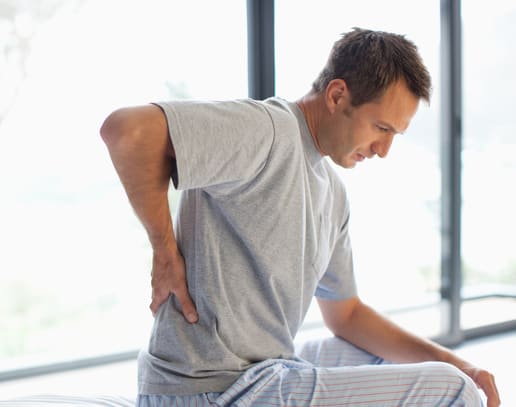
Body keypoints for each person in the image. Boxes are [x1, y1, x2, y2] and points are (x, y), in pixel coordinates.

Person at [100, 28, 500, 406]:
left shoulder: (333, 192)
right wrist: (165, 254)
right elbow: (128, 131)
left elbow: (345, 315)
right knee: (454, 393)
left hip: (265, 372)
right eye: (381, 127)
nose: (383, 150)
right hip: (210, 390)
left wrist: (456, 361)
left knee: (386, 359)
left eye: (395, 134)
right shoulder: (268, 131)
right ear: (337, 95)